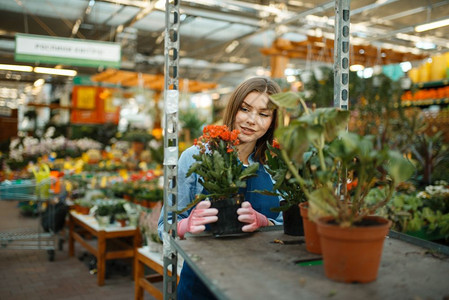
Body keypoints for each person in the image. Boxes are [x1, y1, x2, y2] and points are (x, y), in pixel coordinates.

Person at [157, 76, 284, 300]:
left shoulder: (276, 166)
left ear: (273, 122)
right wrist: (187, 224)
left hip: (262, 283)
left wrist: (266, 223)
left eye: (263, 114)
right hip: (202, 283)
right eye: (245, 109)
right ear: (234, 108)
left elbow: (290, 229)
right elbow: (164, 226)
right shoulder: (196, 156)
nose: (251, 120)